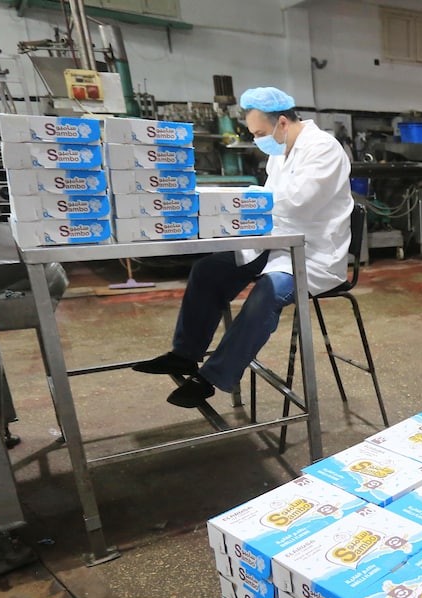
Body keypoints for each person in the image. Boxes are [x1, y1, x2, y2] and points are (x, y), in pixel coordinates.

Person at [133, 87, 354, 407]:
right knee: (208, 271)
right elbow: (271, 202)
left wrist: (241, 201)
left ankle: (215, 376)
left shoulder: (323, 149)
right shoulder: (280, 152)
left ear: (282, 122)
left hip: (312, 254)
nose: (257, 140)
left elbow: (298, 202)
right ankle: (185, 354)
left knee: (269, 291)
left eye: (260, 133)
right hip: (276, 242)